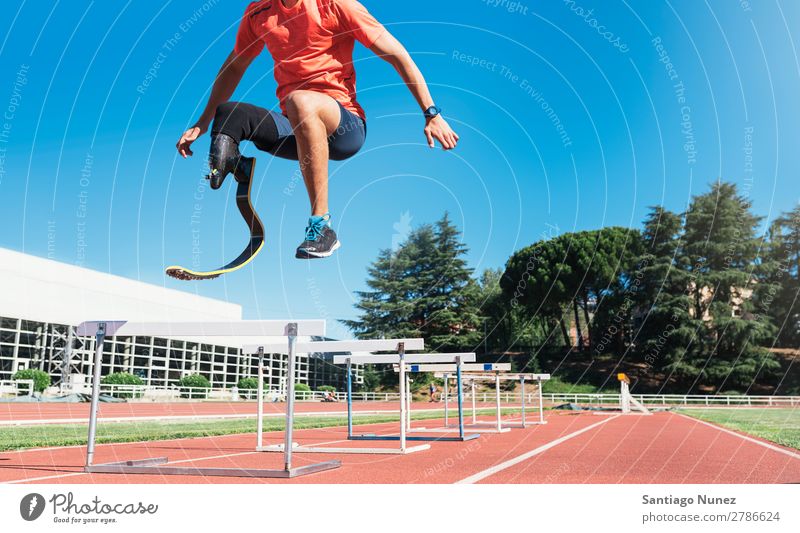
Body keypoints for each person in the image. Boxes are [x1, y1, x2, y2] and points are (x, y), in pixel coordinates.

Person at [176, 0, 459, 259]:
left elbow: (397, 54)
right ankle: (238, 166)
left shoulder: (336, 5)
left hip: (344, 128)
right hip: (298, 128)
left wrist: (430, 113)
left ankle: (321, 227)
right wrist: (202, 123)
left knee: (299, 100)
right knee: (228, 116)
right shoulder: (259, 12)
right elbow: (235, 66)